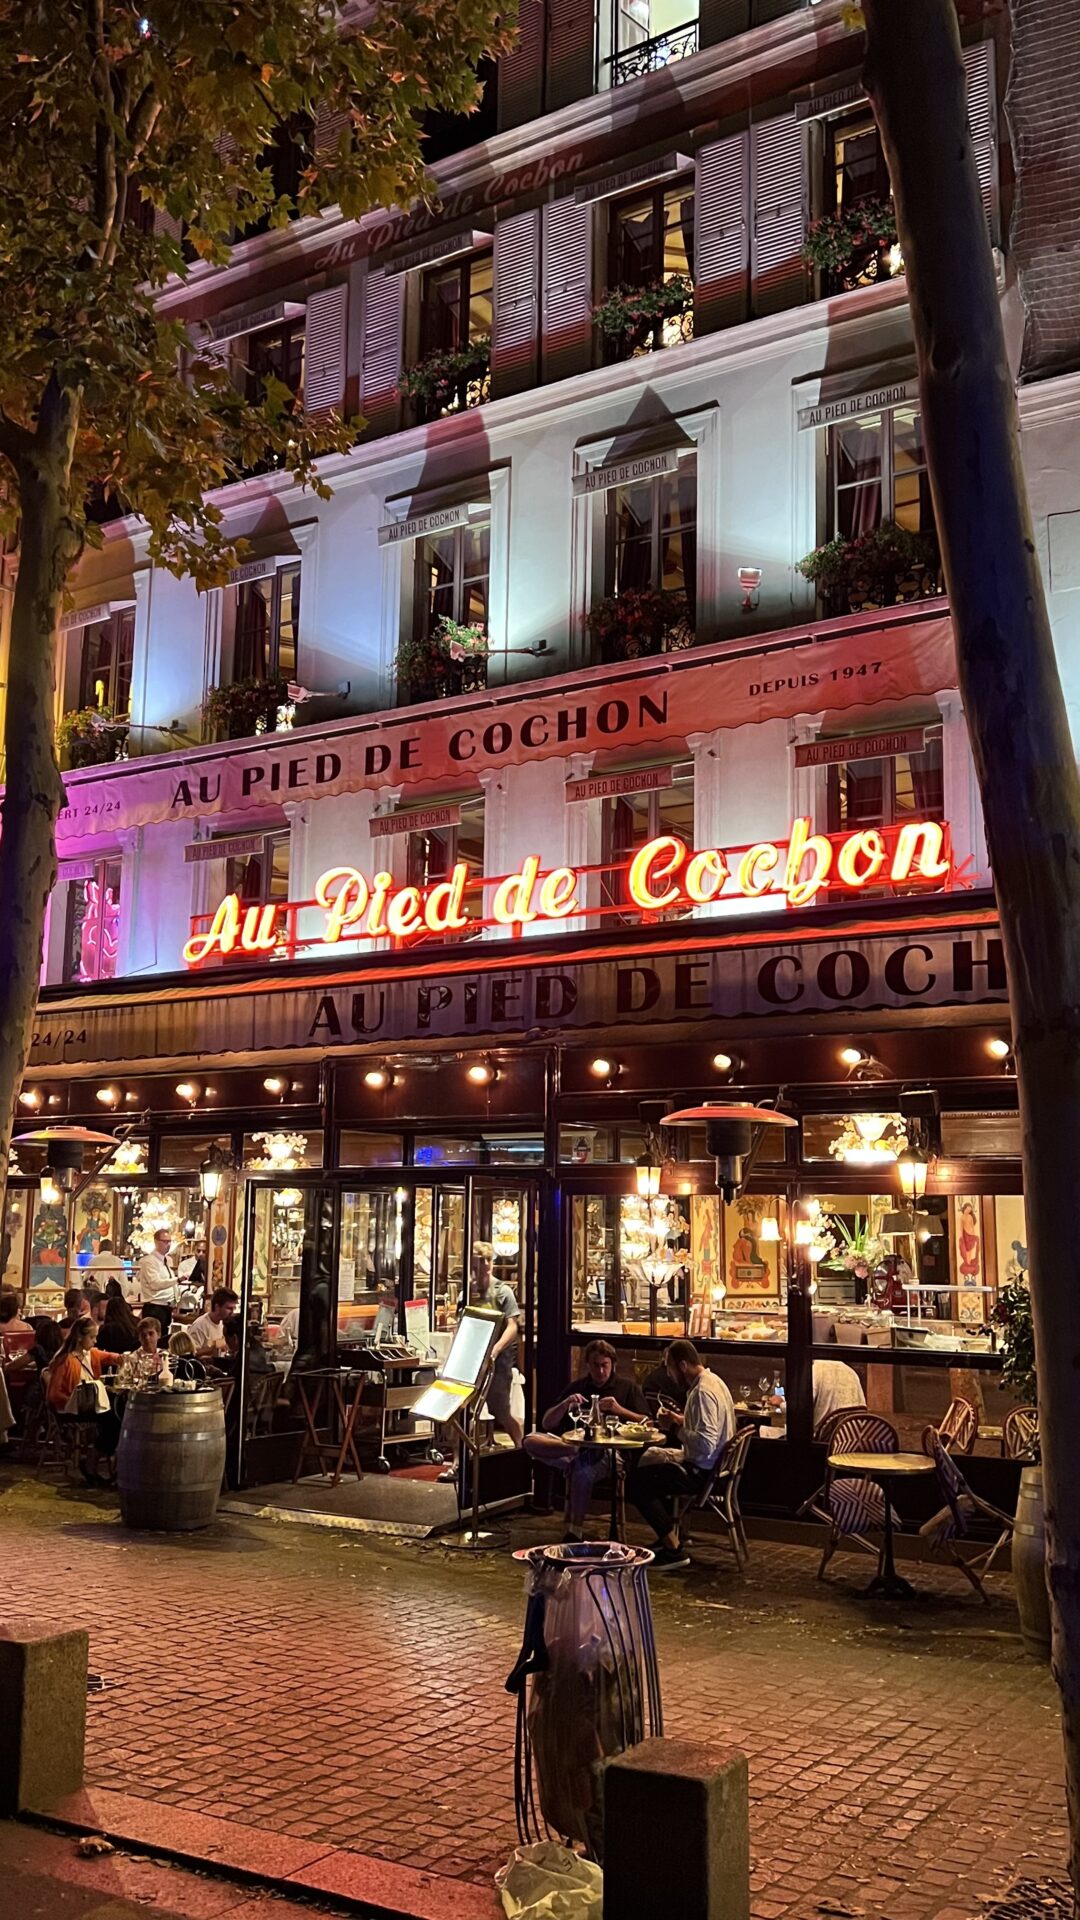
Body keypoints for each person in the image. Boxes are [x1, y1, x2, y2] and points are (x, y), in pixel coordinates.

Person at [525, 1339, 649, 1542]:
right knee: (530, 1441)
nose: (600, 1371)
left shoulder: (626, 1388)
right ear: (588, 1365)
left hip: (611, 1453)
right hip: (574, 1446)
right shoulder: (579, 1387)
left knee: (582, 1471)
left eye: (604, 1365)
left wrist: (619, 1410)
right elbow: (547, 1423)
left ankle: (575, 1531)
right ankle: (576, 1454)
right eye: (595, 1365)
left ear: (612, 1364)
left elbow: (648, 1423)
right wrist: (565, 1404)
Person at [632, 1339, 736, 1570]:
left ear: (682, 1365)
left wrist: (674, 1429)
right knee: (650, 1459)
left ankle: (674, 1549)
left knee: (637, 1482)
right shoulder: (714, 1381)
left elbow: (706, 1444)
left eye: (669, 1367)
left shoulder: (702, 1393)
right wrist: (678, 1419)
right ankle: (668, 1535)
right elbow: (707, 1428)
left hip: (702, 1472)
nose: (668, 1374)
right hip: (716, 1468)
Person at [45, 1317, 122, 1482]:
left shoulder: (90, 1354)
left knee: (116, 1414)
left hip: (86, 1406)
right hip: (70, 1409)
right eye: (92, 1337)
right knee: (113, 1420)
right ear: (80, 1337)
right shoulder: (66, 1360)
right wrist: (75, 1400)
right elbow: (53, 1394)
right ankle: (92, 1460)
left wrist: (123, 1358)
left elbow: (110, 1356)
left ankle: (97, 1458)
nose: (95, 1341)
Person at [468, 1241, 523, 1448]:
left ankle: (521, 1450)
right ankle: (458, 1461)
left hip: (497, 1363)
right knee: (464, 1411)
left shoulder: (503, 1292)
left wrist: (495, 1349)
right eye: (481, 1260)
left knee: (501, 1409)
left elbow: (512, 1327)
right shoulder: (468, 1292)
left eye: (489, 1259)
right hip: (473, 1361)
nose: (486, 1264)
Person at [134, 1230, 177, 1337]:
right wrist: (177, 1280)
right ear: (156, 1242)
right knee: (153, 1339)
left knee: (164, 1338)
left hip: (167, 1306)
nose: (169, 1244)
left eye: (170, 1241)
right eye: (165, 1241)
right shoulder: (148, 1261)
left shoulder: (168, 1260)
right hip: (155, 1307)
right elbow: (155, 1284)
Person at [115, 1316, 174, 1393]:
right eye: (143, 1335)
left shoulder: (165, 1355)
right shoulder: (132, 1358)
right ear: (139, 1338)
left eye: (151, 1333)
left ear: (158, 1334)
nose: (147, 1338)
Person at [811, 1358, 865, 1431]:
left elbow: (802, 1411)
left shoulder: (814, 1372)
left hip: (822, 1439)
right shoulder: (851, 1372)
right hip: (852, 1438)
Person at [187, 1287, 238, 1358]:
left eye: (233, 1308)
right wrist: (211, 1350)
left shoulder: (223, 1323)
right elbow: (190, 1353)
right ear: (217, 1307)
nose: (232, 1312)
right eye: (229, 1308)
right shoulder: (199, 1326)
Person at [98, 1289, 141, 1355]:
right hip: (135, 1357)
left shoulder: (106, 1329)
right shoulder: (137, 1322)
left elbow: (99, 1349)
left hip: (113, 1360)